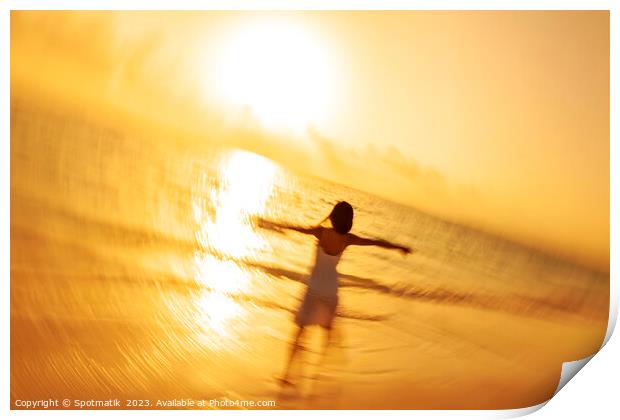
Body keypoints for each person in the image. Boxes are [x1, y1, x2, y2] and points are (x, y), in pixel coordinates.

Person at [256, 201, 411, 386]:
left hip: (313, 289)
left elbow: (295, 228)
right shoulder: (348, 240)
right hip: (330, 291)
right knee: (326, 334)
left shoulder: (321, 233)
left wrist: (270, 223)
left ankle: (288, 375)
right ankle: (318, 375)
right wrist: (399, 247)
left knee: (300, 332)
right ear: (349, 221)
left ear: (334, 216)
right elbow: (375, 242)